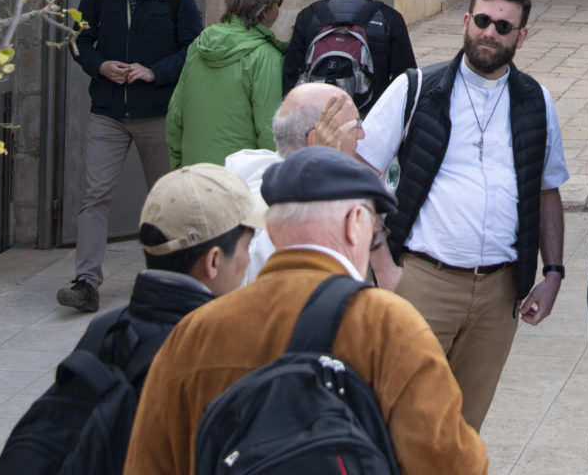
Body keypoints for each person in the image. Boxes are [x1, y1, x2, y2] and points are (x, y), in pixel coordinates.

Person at [123, 146, 487, 475]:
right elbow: (453, 465)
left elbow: (147, 464)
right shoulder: (388, 324)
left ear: (272, 229)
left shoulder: (194, 332)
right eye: (376, 234)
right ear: (354, 224)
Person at [361, 0, 569, 430]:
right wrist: (383, 265)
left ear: (521, 36)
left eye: (503, 26)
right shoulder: (417, 88)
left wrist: (553, 273)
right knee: (398, 421)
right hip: (421, 281)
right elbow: (357, 175)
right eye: (482, 20)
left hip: (498, 294)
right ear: (465, 22)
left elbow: (546, 189)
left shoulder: (536, 101)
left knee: (462, 430)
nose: (490, 32)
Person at [0, 164, 261, 475]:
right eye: (246, 246)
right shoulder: (217, 355)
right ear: (214, 261)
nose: (248, 259)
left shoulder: (105, 328)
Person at [59, 0, 203, 314]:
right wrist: (100, 65)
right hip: (108, 111)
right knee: (95, 196)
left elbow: (193, 47)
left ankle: (168, 280)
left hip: (156, 112)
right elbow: (79, 41)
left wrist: (154, 72)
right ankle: (86, 283)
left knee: (164, 199)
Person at [223, 81, 367, 282]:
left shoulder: (255, 174)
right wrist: (321, 167)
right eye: (355, 125)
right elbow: (265, 277)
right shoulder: (271, 202)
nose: (362, 135)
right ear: (317, 140)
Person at [165, 0, 286, 168]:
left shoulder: (199, 44)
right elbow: (268, 126)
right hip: (240, 174)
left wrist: (177, 160)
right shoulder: (265, 55)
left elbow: (175, 112)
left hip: (194, 168)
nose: (279, 9)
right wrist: (274, 173)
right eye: (278, 3)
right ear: (264, 10)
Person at [280, 0, 416, 112]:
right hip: (371, 118)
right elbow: (407, 79)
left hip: (320, 119)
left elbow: (290, 76)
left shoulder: (308, 17)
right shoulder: (389, 18)